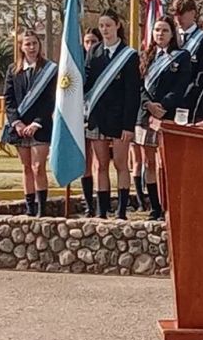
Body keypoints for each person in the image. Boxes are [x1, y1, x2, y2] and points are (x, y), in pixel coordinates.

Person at [134, 15, 192, 220]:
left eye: (165, 30)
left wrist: (163, 106)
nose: (160, 34)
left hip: (168, 115)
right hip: (145, 115)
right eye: (157, 30)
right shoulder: (144, 56)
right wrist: (148, 104)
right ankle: (155, 207)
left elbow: (182, 85)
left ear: (172, 33)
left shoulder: (181, 56)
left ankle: (171, 204)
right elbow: (138, 85)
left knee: (167, 162)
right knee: (149, 163)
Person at [84, 11, 140, 220]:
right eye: (101, 26)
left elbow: (132, 92)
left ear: (117, 26)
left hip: (119, 119)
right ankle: (101, 210)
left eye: (108, 25)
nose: (105, 30)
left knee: (120, 163)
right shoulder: (94, 52)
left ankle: (122, 210)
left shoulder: (129, 55)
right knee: (100, 165)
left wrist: (128, 125)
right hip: (98, 117)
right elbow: (88, 83)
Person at [2, 30, 58, 217]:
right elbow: (9, 99)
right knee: (26, 168)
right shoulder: (13, 70)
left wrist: (37, 123)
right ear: (21, 47)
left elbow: (50, 100)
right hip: (19, 127)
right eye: (28, 44)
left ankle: (42, 208)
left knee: (38, 167)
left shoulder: (49, 69)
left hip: (39, 128)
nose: (32, 47)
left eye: (35, 43)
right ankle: (30, 207)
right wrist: (16, 123)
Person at [170, 0, 203, 123]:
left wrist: (182, 96)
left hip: (192, 104)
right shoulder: (170, 37)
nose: (178, 18)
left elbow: (202, 75)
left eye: (182, 14)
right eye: (176, 14)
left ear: (193, 13)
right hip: (168, 104)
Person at [80, 27, 102, 210]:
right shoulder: (77, 63)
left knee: (99, 162)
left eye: (93, 41)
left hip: (99, 117)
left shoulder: (103, 61)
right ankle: (89, 204)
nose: (89, 45)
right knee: (85, 161)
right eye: (86, 42)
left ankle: (102, 200)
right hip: (81, 116)